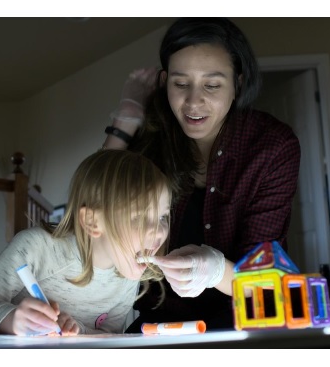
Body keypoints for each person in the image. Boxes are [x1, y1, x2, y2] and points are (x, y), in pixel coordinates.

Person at [102, 17, 301, 331]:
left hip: (240, 320)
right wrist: (127, 117)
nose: (194, 102)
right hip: (156, 322)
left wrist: (217, 270)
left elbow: (264, 284)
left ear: (238, 82)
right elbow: (96, 202)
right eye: (181, 84)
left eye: (212, 84)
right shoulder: (151, 138)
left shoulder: (271, 146)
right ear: (165, 81)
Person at [0, 149, 172, 336]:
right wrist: (11, 320)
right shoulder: (37, 248)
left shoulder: (127, 273)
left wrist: (78, 330)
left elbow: (108, 337)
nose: (159, 233)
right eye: (139, 218)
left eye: (163, 217)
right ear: (92, 221)